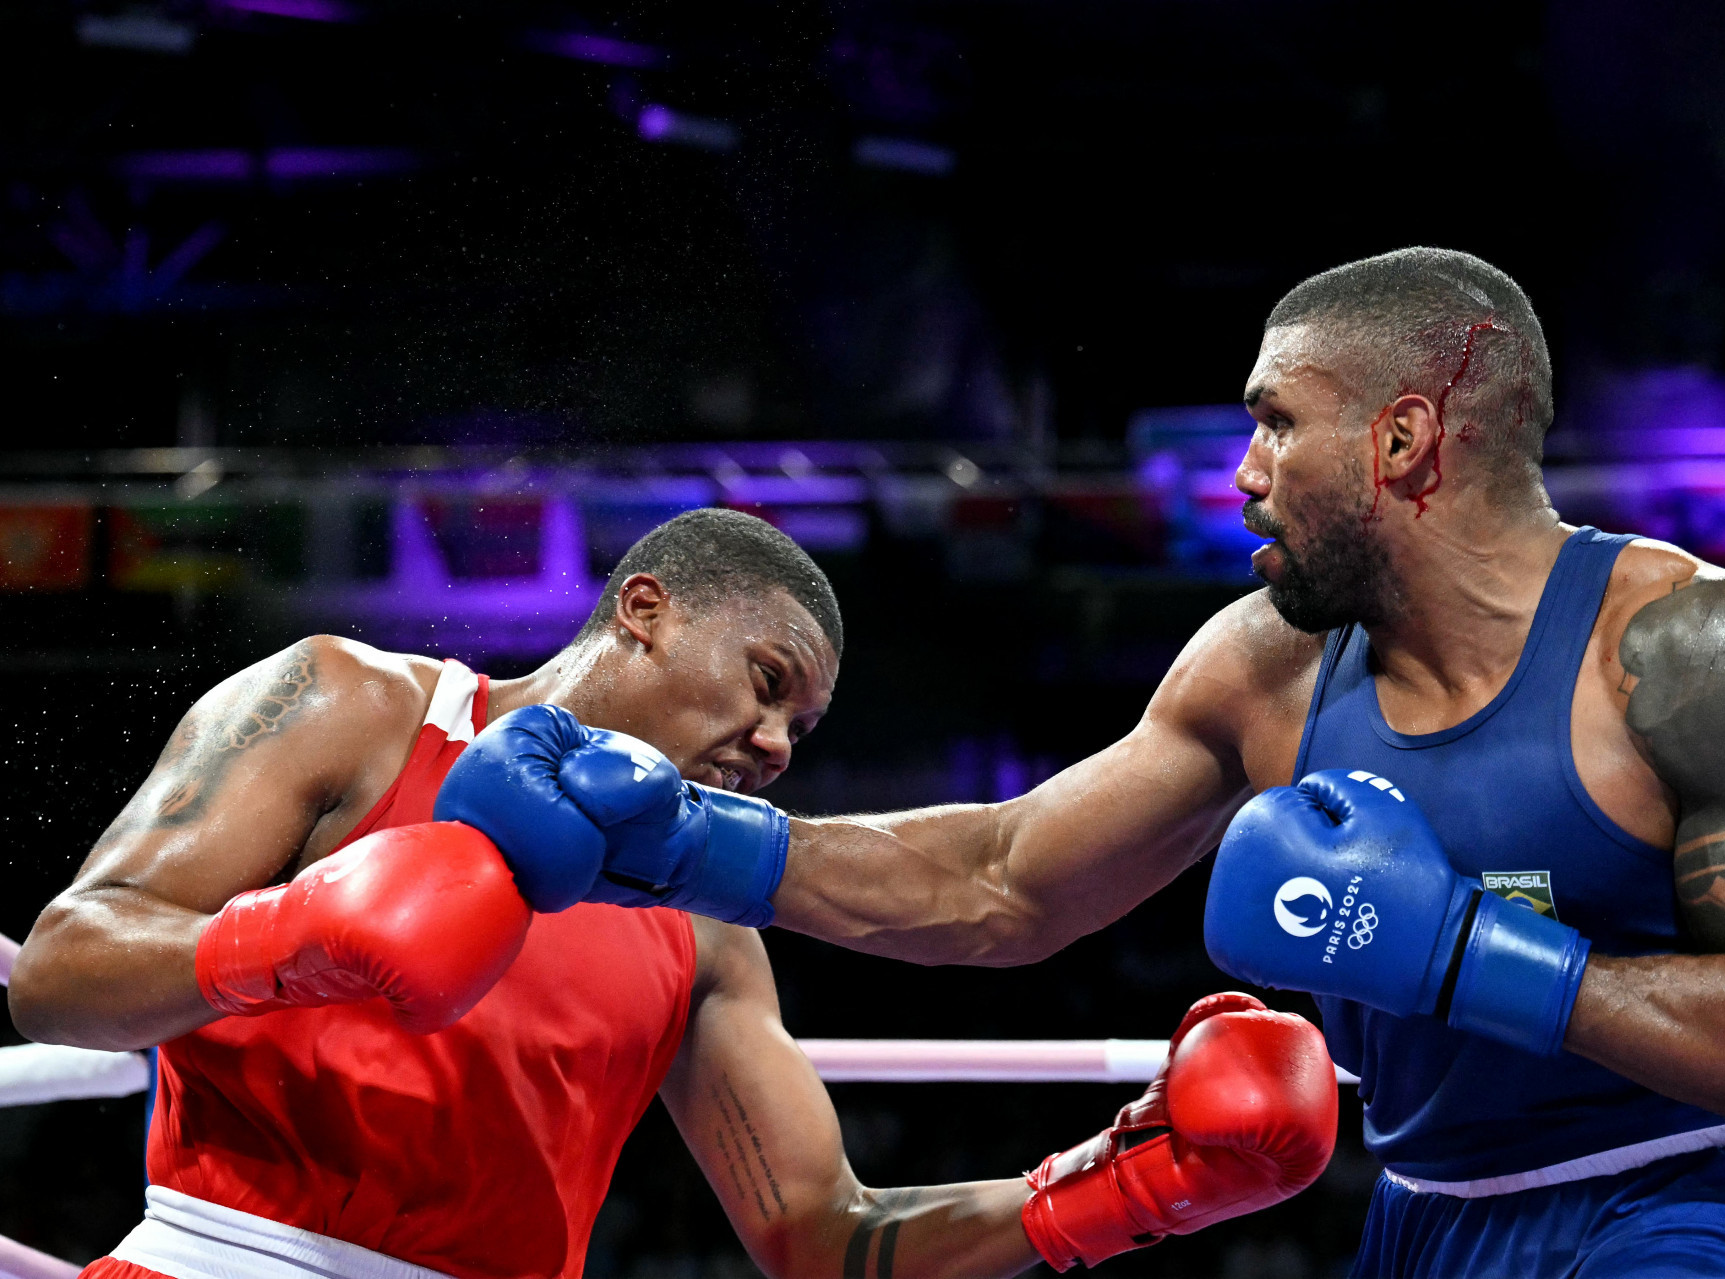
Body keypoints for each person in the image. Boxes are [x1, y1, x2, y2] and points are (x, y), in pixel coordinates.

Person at [452, 252, 1725, 1276]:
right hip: (1427, 1216)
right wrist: (680, 842)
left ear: (1405, 438)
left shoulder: (1701, 648)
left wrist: (1474, 953)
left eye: (1278, 420)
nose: (1243, 471)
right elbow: (1004, 882)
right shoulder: (1266, 663)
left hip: (1700, 1206)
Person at [7, 509, 1341, 1279]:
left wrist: (1124, 1190)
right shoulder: (349, 706)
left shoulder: (707, 923)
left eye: (802, 732)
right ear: (641, 609)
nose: (775, 747)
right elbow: (64, 971)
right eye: (766, 685)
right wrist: (298, 938)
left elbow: (826, 1242)